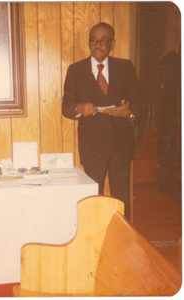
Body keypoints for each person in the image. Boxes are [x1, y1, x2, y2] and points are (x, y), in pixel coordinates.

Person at [62, 22, 146, 220]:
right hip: (92, 147)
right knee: (92, 196)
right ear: (89, 42)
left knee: (121, 197)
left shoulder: (125, 67)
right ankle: (93, 239)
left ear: (112, 44)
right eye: (93, 40)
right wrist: (80, 108)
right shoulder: (76, 70)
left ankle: (123, 240)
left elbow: (141, 104)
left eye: (103, 41)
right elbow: (66, 107)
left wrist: (130, 113)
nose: (97, 45)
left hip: (121, 146)